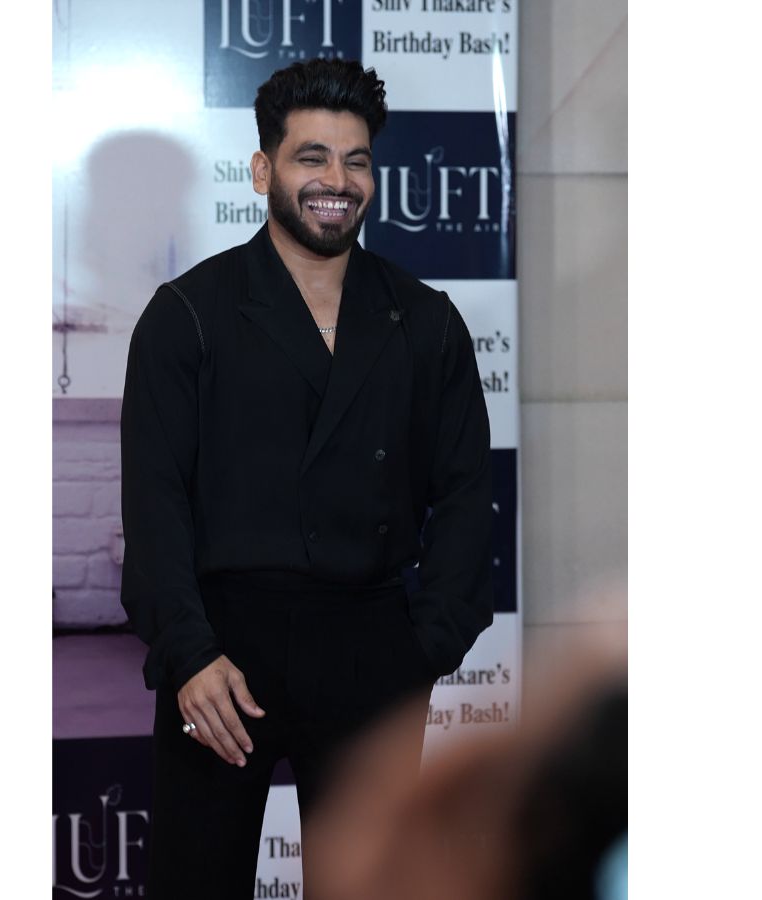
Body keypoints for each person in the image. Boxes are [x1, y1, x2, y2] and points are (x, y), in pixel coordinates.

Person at [119, 58, 494, 900]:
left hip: (371, 655)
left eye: (356, 160)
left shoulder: (426, 320)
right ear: (263, 170)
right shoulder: (187, 315)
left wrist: (424, 650)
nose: (337, 181)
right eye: (311, 157)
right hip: (220, 662)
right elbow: (155, 507)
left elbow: (469, 496)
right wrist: (190, 654)